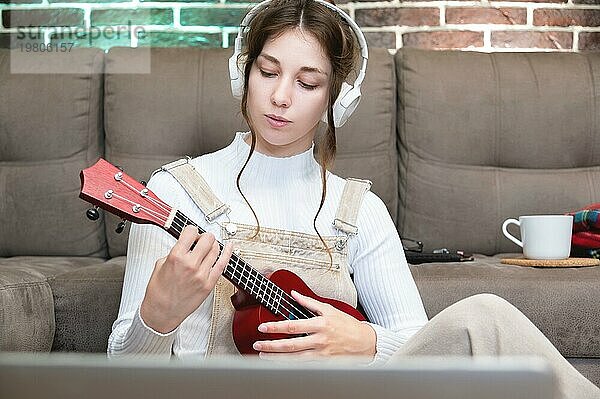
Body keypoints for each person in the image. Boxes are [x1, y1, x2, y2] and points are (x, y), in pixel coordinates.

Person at [107, 0, 599, 397]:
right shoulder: (174, 192)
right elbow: (122, 374)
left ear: (335, 99)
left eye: (308, 82)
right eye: (268, 71)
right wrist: (159, 315)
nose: (281, 97)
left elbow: (422, 343)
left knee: (486, 316)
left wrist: (365, 341)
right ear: (244, 74)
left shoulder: (359, 211)